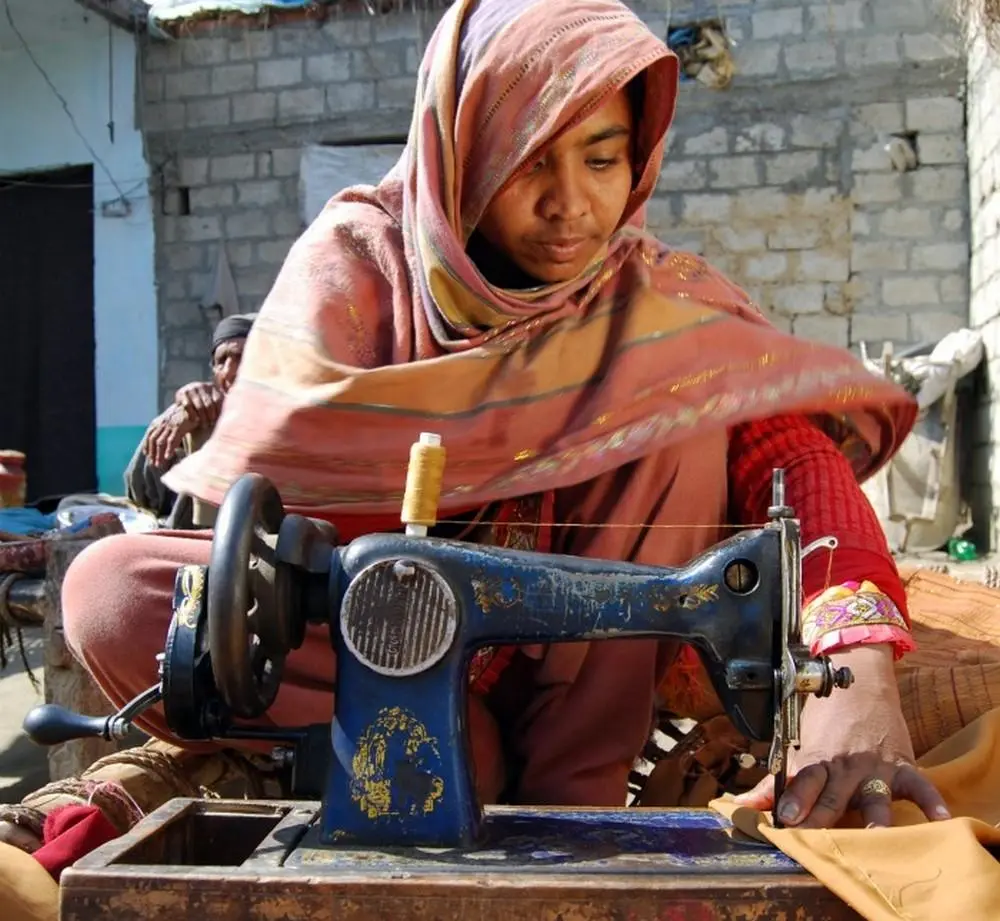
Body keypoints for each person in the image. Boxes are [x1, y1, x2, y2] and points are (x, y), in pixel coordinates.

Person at [12, 0, 991, 848]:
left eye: (602, 158)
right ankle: (450, 736)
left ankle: (568, 797)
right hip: (377, 652)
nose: (572, 205)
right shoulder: (357, 274)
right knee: (111, 588)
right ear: (464, 150)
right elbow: (267, 542)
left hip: (588, 702)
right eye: (528, 162)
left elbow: (794, 465)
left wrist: (856, 670)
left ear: (638, 155)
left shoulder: (658, 309)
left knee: (689, 432)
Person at [124, 313, 256, 527]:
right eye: (221, 361)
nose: (229, 371)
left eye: (243, 357)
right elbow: (142, 495)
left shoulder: (292, 417)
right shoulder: (197, 415)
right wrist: (178, 415)